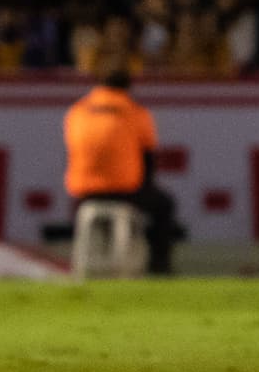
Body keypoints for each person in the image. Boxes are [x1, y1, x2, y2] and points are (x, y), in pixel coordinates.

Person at [63, 62, 178, 275]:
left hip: (84, 193)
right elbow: (148, 159)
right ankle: (159, 266)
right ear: (128, 86)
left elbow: (71, 151)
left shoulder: (77, 111)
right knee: (164, 205)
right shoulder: (135, 112)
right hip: (125, 191)